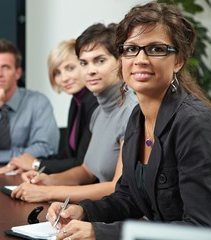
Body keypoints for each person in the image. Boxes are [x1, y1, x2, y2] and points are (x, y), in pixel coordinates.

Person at [47, 2, 211, 240]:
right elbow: (129, 198)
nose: (140, 59)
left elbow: (201, 229)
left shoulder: (194, 123)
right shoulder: (137, 118)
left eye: (156, 49)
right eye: (131, 49)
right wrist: (83, 211)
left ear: (178, 60)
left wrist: (99, 232)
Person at [10, 23, 138, 203]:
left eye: (100, 60)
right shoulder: (99, 112)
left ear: (120, 60)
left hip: (119, 218)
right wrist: (47, 180)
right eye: (84, 63)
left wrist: (49, 193)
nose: (90, 70)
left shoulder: (133, 111)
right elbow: (86, 171)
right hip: (101, 211)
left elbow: (117, 187)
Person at [0, 39, 98, 174]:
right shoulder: (76, 101)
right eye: (57, 73)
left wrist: (35, 164)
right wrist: (26, 162)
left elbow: (82, 163)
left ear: (84, 65)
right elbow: (68, 156)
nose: (64, 78)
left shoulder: (95, 102)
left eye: (70, 68)